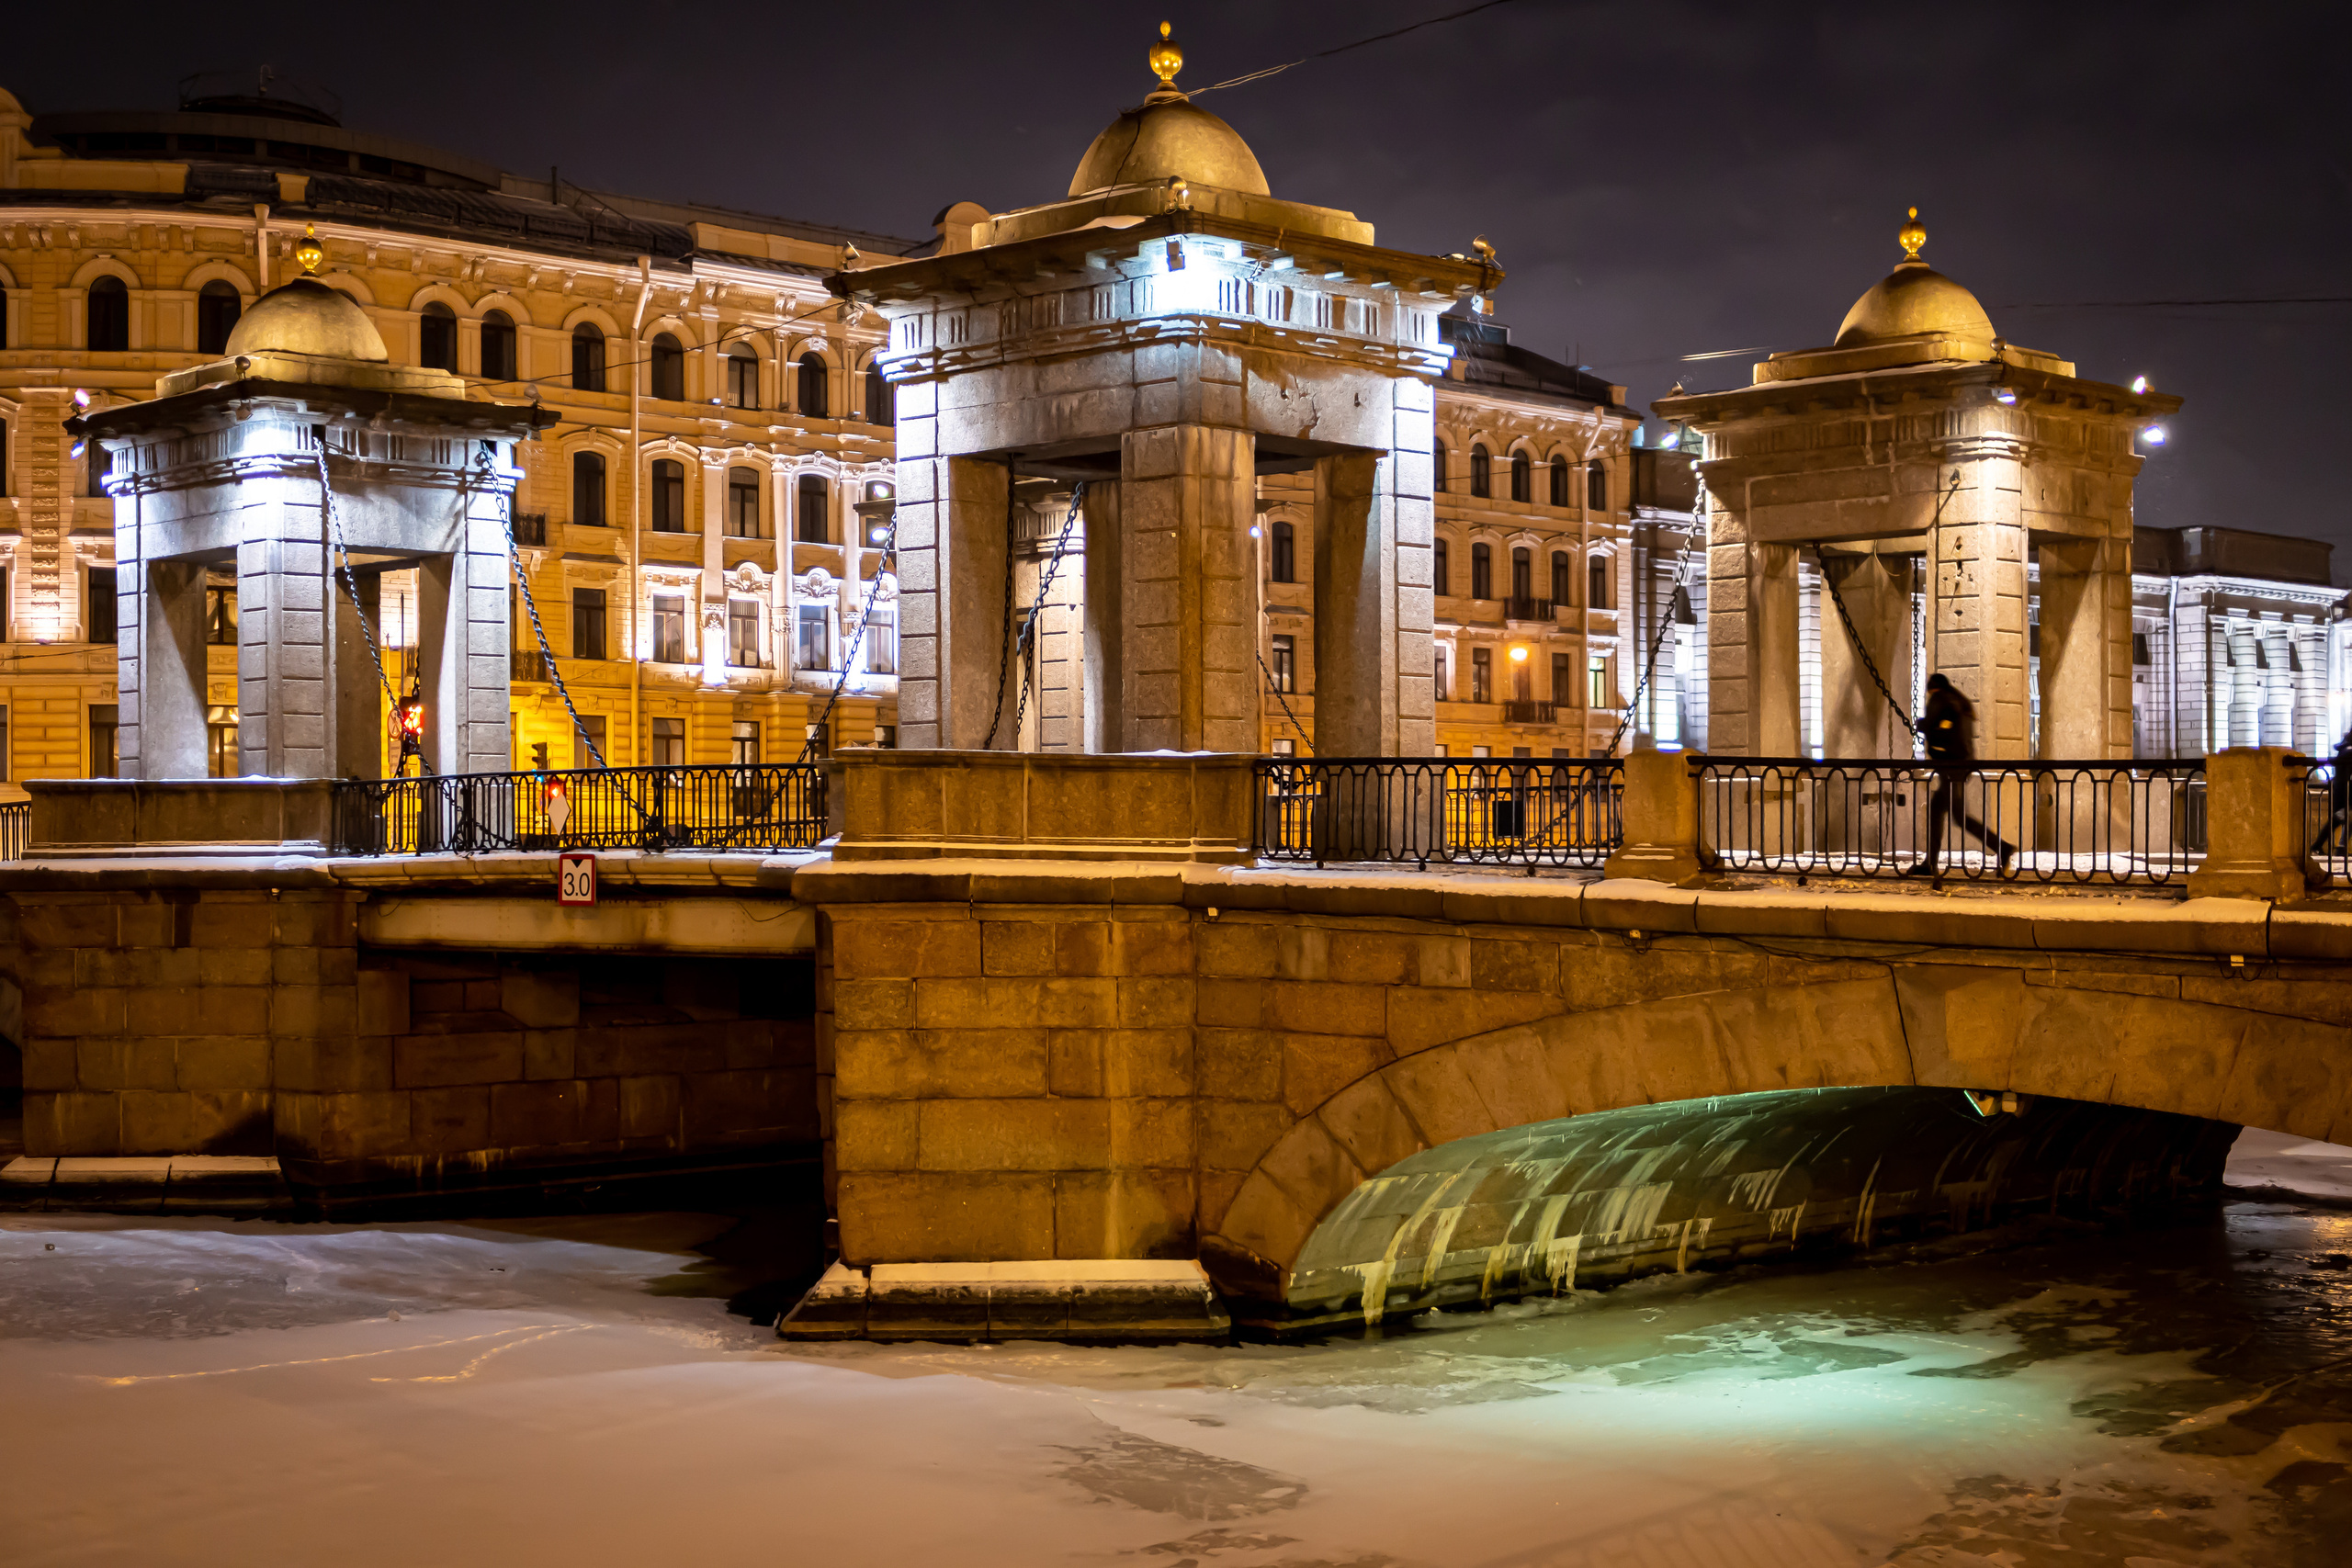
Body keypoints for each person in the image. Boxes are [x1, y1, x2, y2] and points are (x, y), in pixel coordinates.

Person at [1903, 673, 2014, 877]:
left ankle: (2003, 848)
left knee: (1960, 817)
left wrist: (1922, 725)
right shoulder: (1958, 702)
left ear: (1932, 689)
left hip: (1951, 766)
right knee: (1937, 810)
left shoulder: (1941, 700)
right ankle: (1930, 863)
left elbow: (1939, 731)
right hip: (1958, 766)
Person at [2308, 730, 2352, 858]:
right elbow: (2345, 775)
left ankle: (2319, 846)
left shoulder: (2345, 749)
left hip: (2342, 791)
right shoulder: (2349, 751)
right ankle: (2334, 847)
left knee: (2338, 820)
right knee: (2342, 818)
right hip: (2345, 792)